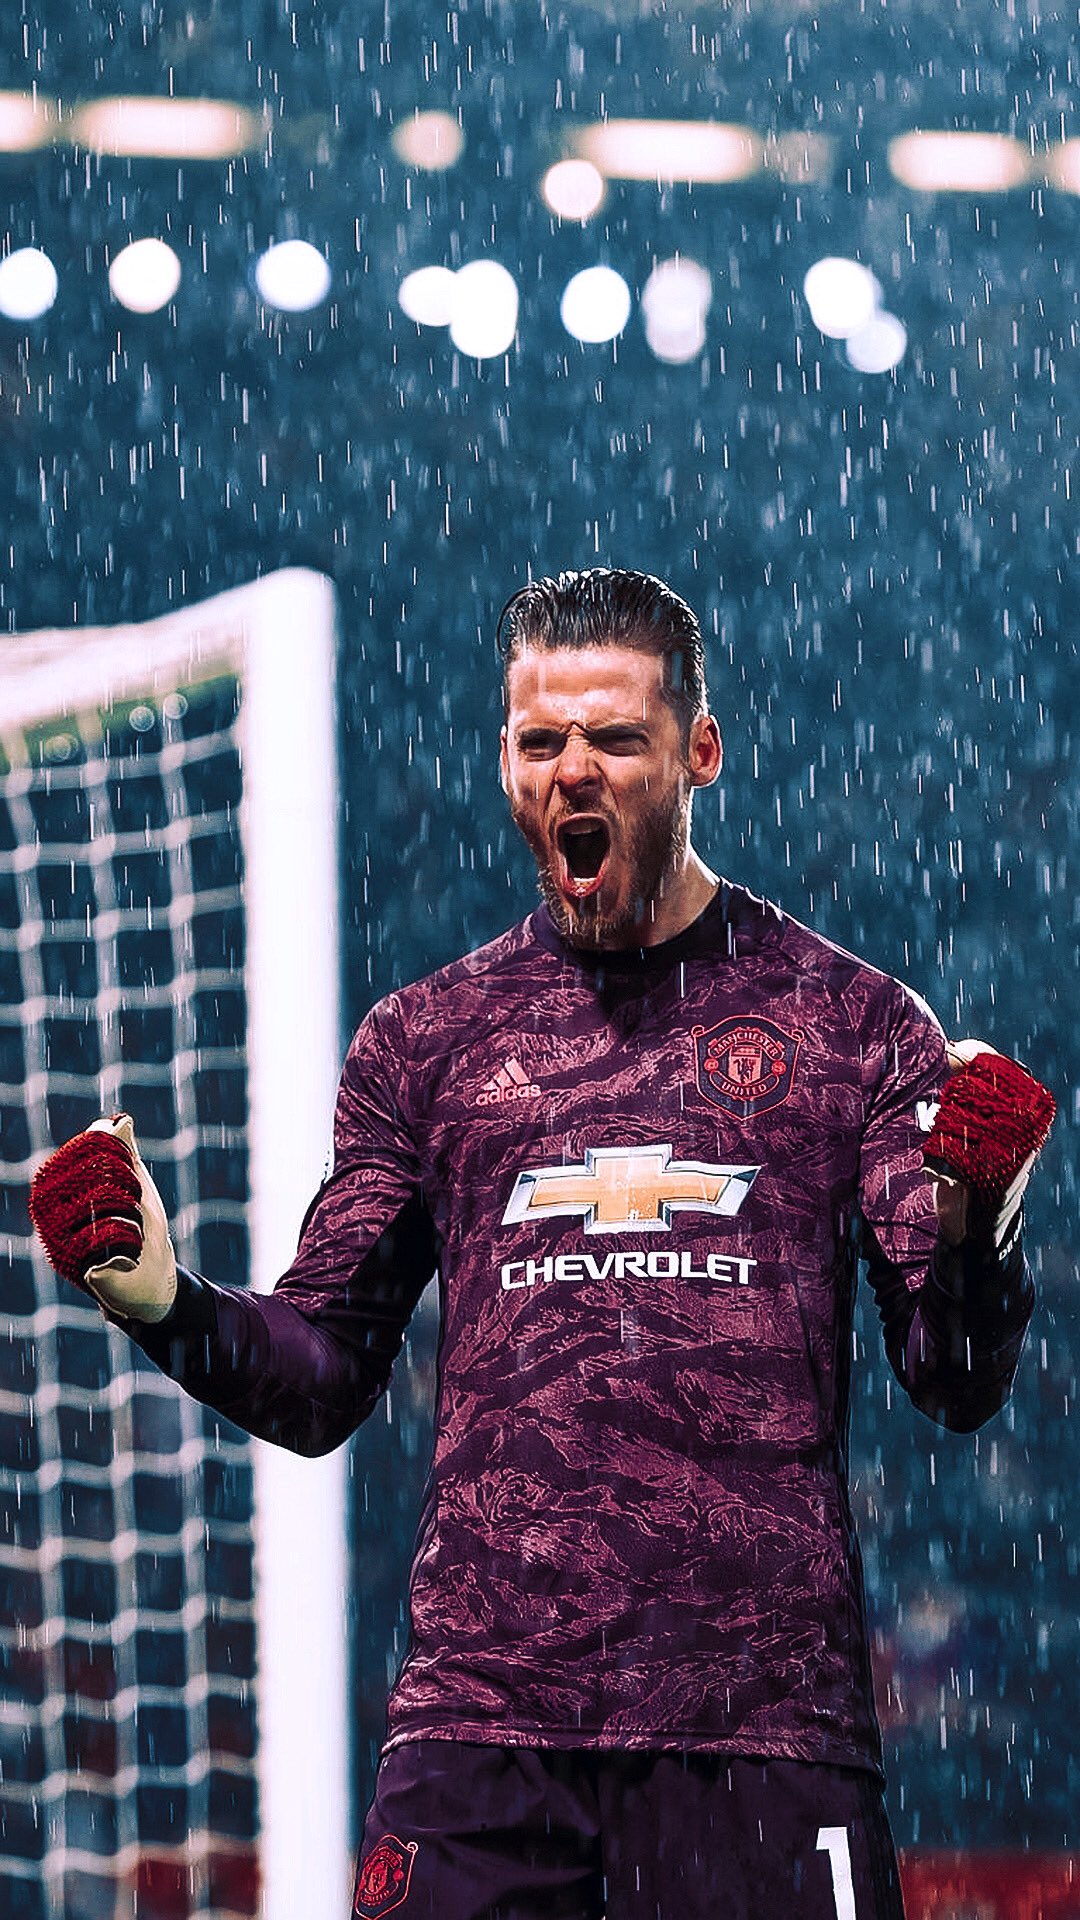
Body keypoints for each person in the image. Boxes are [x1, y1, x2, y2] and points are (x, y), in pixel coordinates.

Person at [29, 569, 1055, 1920]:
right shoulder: (426, 1041)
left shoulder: (850, 1022)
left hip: (759, 1734)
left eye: (615, 737)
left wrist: (980, 1225)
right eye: (540, 739)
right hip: (480, 1739)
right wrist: (165, 1300)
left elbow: (955, 1377)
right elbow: (321, 1376)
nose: (575, 769)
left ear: (700, 751)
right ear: (505, 761)